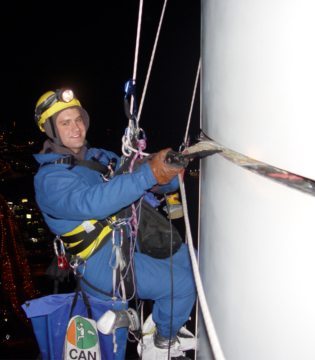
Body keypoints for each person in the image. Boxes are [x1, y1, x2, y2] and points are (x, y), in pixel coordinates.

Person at [31, 88, 197, 359]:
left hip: (128, 243)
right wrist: (147, 175)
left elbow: (138, 172)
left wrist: (167, 172)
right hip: (101, 261)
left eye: (78, 119)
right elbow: (93, 202)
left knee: (194, 264)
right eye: (65, 123)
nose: (76, 128)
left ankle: (162, 322)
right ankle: (162, 342)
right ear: (51, 129)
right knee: (180, 284)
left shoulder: (98, 157)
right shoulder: (50, 180)